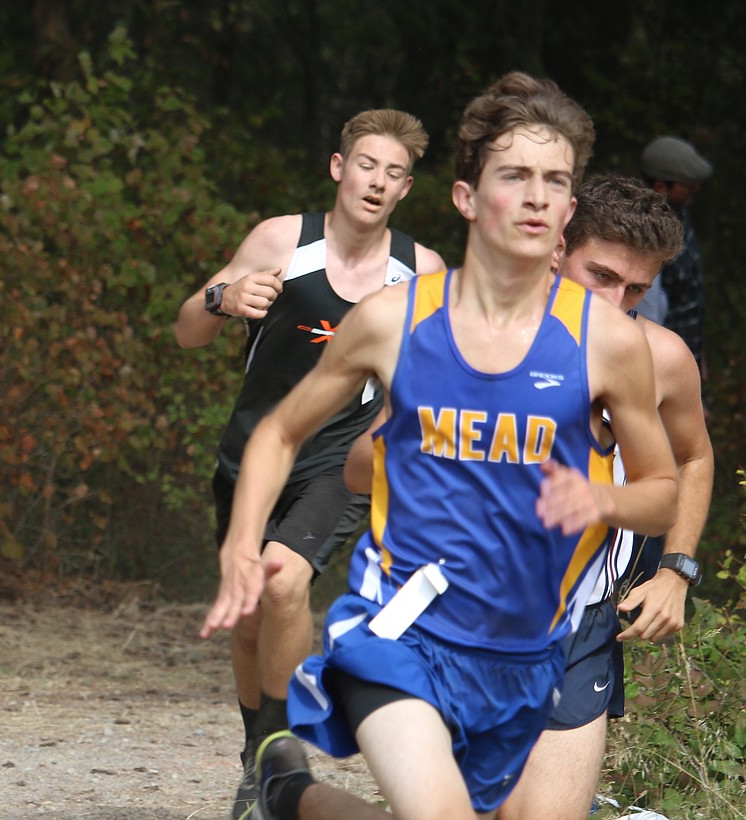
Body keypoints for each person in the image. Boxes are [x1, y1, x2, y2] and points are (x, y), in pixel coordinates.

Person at [202, 72, 679, 820]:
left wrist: (605, 497)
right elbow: (281, 431)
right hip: (401, 627)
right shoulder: (395, 320)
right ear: (466, 196)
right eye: (513, 175)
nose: (534, 196)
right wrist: (240, 542)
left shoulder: (610, 344)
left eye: (554, 181)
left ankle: (289, 793)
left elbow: (663, 489)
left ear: (569, 209)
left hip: (523, 654)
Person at [175, 109, 445, 816]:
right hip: (252, 455)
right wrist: (223, 298)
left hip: (339, 461)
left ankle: (284, 757)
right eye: (367, 165)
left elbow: (437, 382)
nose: (377, 182)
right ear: (338, 167)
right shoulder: (279, 240)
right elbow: (186, 331)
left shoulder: (420, 273)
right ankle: (257, 755)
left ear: (406, 189)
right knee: (250, 617)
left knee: (282, 580)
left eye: (393, 174)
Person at [497, 176, 713, 820]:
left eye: (638, 289)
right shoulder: (476, 333)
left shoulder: (661, 357)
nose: (618, 302)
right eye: (603, 275)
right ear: (559, 247)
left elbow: (695, 457)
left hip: (580, 620)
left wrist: (676, 570)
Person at [638, 136, 712, 374]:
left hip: (689, 349)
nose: (695, 189)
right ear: (661, 186)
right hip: (662, 363)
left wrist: (698, 355)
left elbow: (688, 295)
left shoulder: (680, 213)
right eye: (687, 184)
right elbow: (647, 313)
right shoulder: (645, 237)